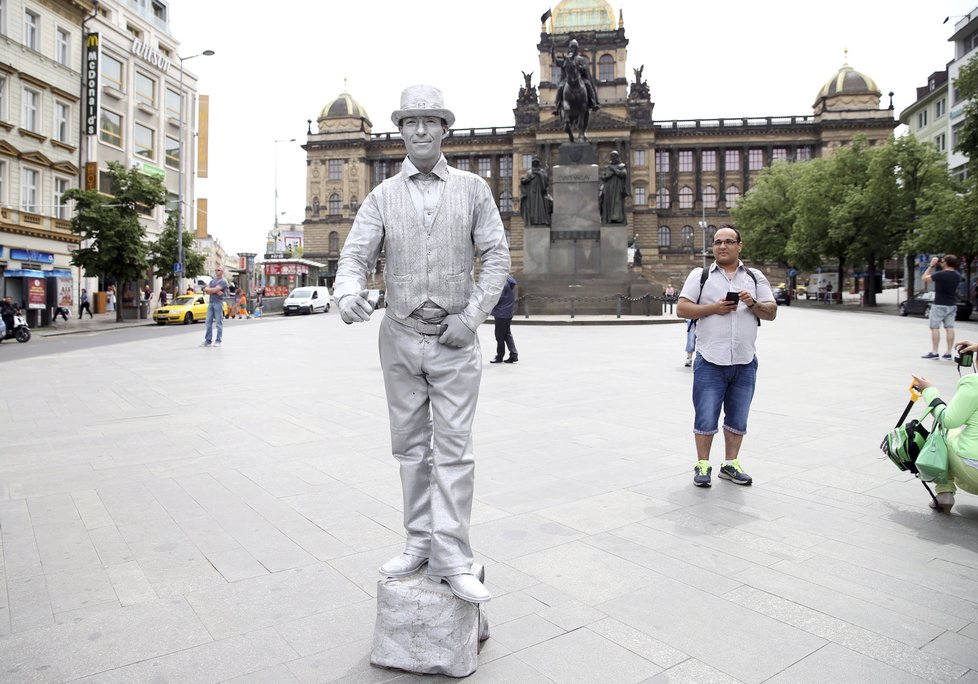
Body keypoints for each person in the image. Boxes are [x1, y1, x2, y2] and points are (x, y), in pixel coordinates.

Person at [334, 84, 510, 604]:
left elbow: (497, 257)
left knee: (455, 452)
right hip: (401, 336)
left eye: (429, 121)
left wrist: (473, 317)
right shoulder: (381, 195)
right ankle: (417, 542)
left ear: (444, 129)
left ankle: (453, 555)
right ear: (401, 131)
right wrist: (347, 296)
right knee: (410, 449)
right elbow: (354, 258)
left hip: (455, 339)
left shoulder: (474, 188)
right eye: (410, 122)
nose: (420, 131)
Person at [676, 225, 777, 487]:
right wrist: (714, 308)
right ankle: (702, 465)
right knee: (706, 415)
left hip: (745, 361)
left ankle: (730, 464)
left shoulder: (754, 277)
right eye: (718, 242)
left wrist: (752, 303)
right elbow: (682, 308)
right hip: (710, 359)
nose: (722, 246)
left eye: (729, 241)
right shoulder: (701, 275)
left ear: (739, 246)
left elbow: (771, 312)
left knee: (738, 416)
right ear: (712, 247)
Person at [913, 347, 978, 513]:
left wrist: (929, 392)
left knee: (945, 433)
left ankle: (944, 493)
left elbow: (948, 420)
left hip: (974, 471)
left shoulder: (974, 382)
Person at [923, 255, 962, 360]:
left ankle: (935, 352)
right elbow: (949, 269)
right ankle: (948, 353)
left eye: (943, 261)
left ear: (946, 263)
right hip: (952, 304)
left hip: (939, 304)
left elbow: (925, 278)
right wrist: (942, 264)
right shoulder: (957, 275)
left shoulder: (940, 275)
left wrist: (931, 266)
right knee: (949, 328)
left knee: (935, 327)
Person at [551, 38, 600, 116]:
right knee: (560, 87)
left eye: (574, 47)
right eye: (571, 47)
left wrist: (580, 67)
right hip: (567, 80)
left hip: (580, 79)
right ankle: (557, 107)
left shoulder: (581, 59)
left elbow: (585, 69)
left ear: (577, 49)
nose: (572, 49)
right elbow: (556, 62)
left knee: (588, 85)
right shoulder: (567, 59)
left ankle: (593, 103)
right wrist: (553, 51)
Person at [490, 275, 518, 364]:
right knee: (507, 334)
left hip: (501, 313)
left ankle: (499, 356)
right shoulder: (509, 281)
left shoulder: (502, 283)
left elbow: (498, 298)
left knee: (499, 335)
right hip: (508, 312)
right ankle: (513, 354)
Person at [519, 157, 551, 226]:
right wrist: (524, 179)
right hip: (531, 194)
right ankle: (532, 221)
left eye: (537, 162)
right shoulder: (529, 172)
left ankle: (541, 221)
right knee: (532, 208)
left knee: (540, 208)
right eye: (534, 162)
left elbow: (546, 180)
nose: (535, 163)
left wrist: (539, 174)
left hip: (540, 193)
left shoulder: (542, 171)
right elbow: (525, 180)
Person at [599, 150, 628, 224]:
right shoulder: (608, 167)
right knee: (607, 203)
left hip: (617, 188)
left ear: (617, 157)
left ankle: (617, 219)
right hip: (608, 188)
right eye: (611, 157)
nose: (612, 158)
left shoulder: (622, 166)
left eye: (614, 157)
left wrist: (614, 170)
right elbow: (604, 177)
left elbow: (623, 174)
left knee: (616, 203)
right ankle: (608, 219)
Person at [201, 266, 227, 347]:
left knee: (219, 323)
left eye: (218, 270)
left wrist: (212, 290)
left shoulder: (223, 281)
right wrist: (213, 290)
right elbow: (206, 290)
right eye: (216, 270)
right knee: (208, 322)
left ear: (222, 271)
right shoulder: (212, 281)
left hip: (218, 303)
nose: (216, 271)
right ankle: (208, 340)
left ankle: (218, 340)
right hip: (211, 303)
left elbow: (213, 290)